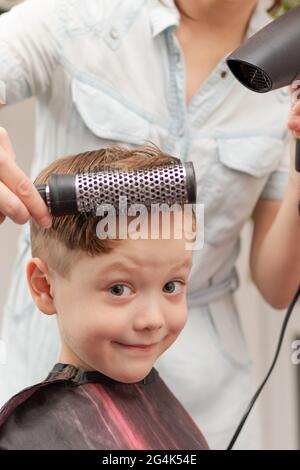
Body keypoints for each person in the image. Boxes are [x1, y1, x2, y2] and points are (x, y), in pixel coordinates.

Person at [0, 0, 299, 449]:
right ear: (42, 285)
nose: (149, 319)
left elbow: (279, 287)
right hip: (52, 383)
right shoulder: (78, 17)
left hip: (203, 394)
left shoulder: (282, 75)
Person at [0, 145, 209, 450]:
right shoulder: (32, 437)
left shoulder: (161, 403)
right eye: (118, 289)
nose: (153, 319)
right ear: (45, 287)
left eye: (171, 286)